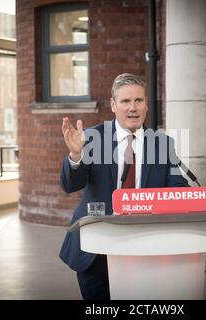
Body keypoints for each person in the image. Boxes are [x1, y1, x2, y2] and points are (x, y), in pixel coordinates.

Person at [59, 73, 189, 300]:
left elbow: (179, 190)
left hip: (144, 249)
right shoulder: (91, 138)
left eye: (138, 100)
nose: (133, 108)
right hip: (95, 248)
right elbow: (71, 185)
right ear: (113, 105)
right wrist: (75, 155)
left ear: (146, 104)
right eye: (125, 101)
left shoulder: (162, 144)